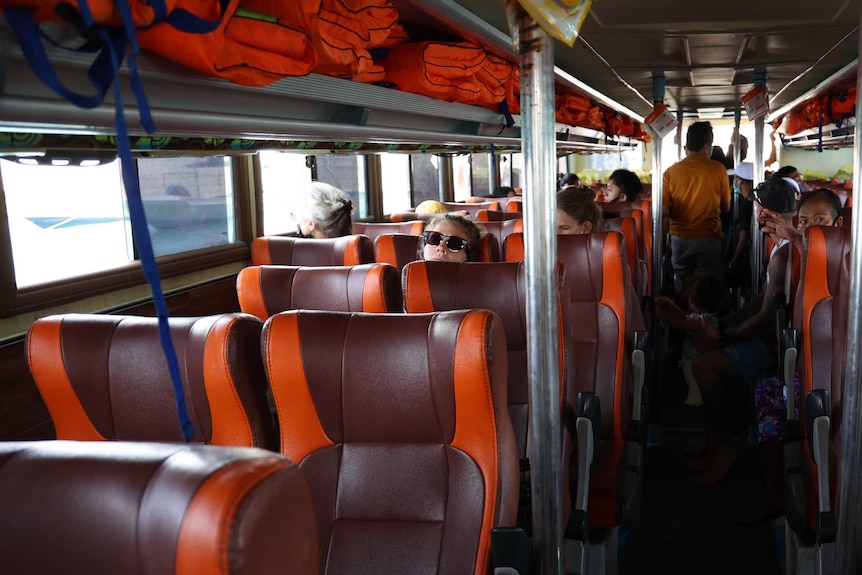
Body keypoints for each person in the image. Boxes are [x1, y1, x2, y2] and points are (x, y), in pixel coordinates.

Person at [687, 176, 798, 484]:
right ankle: (714, 437)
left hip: (779, 345)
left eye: (763, 209)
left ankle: (725, 445)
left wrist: (725, 336)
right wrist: (728, 322)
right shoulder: (780, 245)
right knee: (705, 357)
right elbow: (764, 298)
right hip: (773, 336)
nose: (761, 214)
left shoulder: (786, 251)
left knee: (704, 366)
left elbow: (766, 316)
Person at [662, 121, 732, 293]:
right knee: (707, 288)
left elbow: (664, 210)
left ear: (687, 145)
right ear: (708, 146)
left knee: (683, 285)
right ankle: (707, 318)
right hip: (709, 237)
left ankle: (683, 315)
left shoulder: (671, 172)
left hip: (680, 239)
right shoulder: (718, 170)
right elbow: (726, 208)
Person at [654, 272, 727, 407]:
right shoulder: (705, 317)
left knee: (696, 390)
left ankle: (696, 410)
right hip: (697, 358)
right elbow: (682, 315)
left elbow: (678, 322)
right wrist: (667, 303)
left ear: (692, 301)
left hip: (695, 360)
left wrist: (656, 311)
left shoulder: (701, 321)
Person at [725, 161, 755, 293]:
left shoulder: (748, 203)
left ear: (740, 181)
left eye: (736, 178)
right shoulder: (753, 198)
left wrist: (734, 259)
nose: (734, 181)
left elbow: (744, 237)